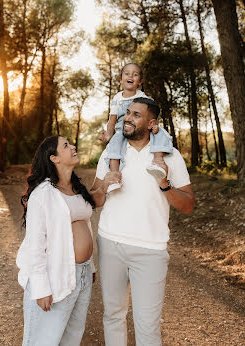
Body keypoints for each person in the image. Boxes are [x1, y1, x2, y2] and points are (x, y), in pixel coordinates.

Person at [91, 97, 195, 346]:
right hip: (110, 243)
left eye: (136, 114)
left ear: (151, 123)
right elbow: (94, 199)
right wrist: (104, 186)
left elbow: (188, 204)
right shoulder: (111, 152)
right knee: (113, 315)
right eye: (127, 112)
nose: (127, 117)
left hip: (151, 249)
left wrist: (164, 185)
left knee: (147, 324)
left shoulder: (169, 156)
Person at [16, 135, 114, 346]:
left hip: (82, 274)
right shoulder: (43, 194)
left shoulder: (76, 189)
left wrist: (91, 268)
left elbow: (86, 222)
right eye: (66, 145)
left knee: (72, 336)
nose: (73, 146)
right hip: (54, 275)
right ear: (54, 158)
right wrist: (41, 288)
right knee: (43, 340)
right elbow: (35, 245)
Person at [99, 63, 173, 192]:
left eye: (135, 74)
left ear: (140, 81)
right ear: (121, 78)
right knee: (114, 145)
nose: (130, 76)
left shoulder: (143, 97)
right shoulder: (117, 98)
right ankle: (114, 176)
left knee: (161, 134)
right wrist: (109, 135)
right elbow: (112, 121)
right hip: (122, 129)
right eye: (127, 73)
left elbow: (150, 114)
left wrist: (155, 126)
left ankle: (158, 161)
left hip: (140, 128)